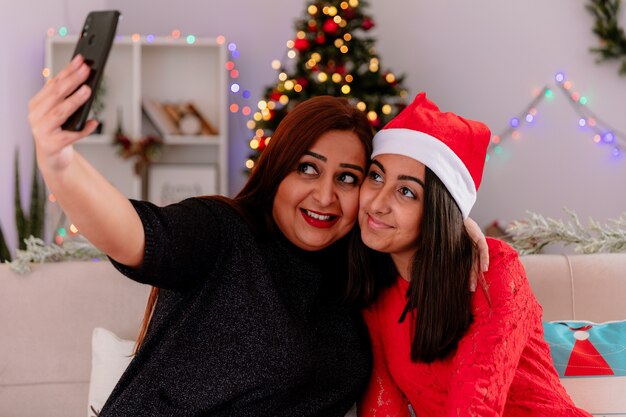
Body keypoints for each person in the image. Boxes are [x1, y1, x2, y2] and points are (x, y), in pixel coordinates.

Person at [28, 54, 375, 416]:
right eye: (307, 169)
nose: (324, 196)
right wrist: (59, 163)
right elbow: (137, 236)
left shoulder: (355, 283)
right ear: (277, 171)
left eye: (347, 178)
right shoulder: (224, 231)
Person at [348, 93, 592, 416]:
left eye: (406, 191)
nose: (377, 202)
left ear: (438, 211)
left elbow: (477, 404)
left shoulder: (493, 268)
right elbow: (382, 408)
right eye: (376, 176)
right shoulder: (377, 294)